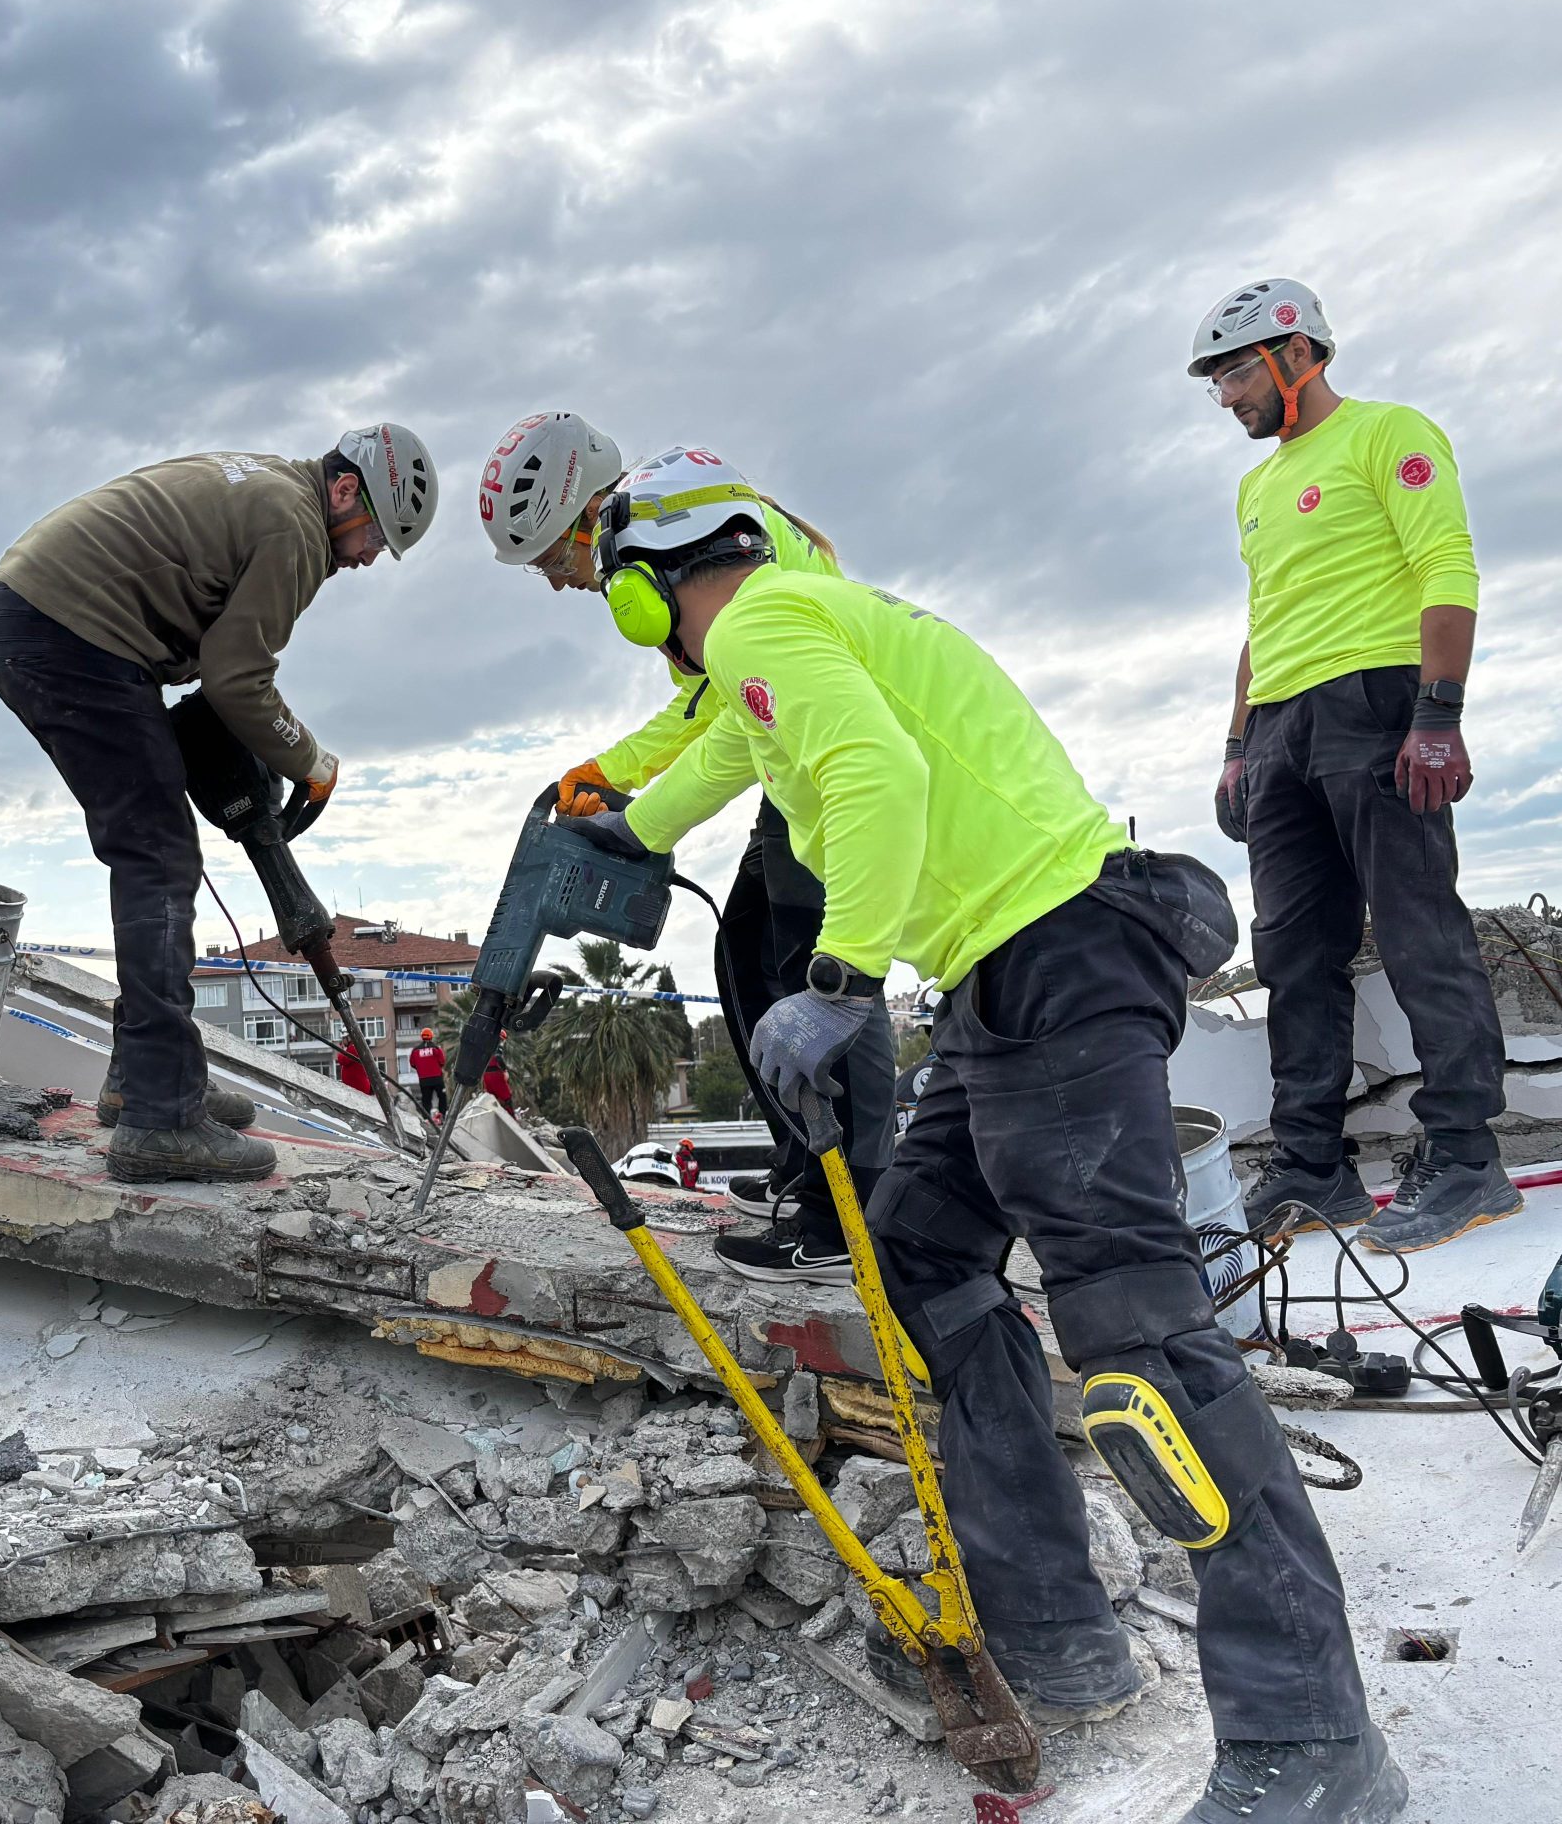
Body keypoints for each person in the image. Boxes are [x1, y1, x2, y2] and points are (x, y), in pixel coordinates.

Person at [567, 516, 1399, 1824]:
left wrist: (838, 979)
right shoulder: (787, 647)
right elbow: (708, 768)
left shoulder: (764, 621)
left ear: (647, 582)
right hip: (1002, 980)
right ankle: (1057, 1624)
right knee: (923, 1255)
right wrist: (614, 822)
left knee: (1143, 1348)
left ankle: (1315, 1746)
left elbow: (881, 782)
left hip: (1055, 950)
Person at [480, 417, 894, 1284]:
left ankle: (848, 1215)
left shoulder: (715, 548)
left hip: (826, 775)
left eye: (553, 559)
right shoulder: (673, 554)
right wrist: (613, 772)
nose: (559, 584)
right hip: (790, 774)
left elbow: (727, 717)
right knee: (744, 953)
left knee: (823, 984)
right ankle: (804, 1161)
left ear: (585, 516)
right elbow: (711, 704)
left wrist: (634, 808)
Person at [0, 427, 437, 1184]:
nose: (365, 559)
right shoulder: (295, 525)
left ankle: (140, 1081)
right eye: (375, 539)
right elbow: (236, 680)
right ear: (348, 492)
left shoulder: (268, 483)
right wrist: (312, 762)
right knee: (158, 854)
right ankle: (161, 1117)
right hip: (71, 638)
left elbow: (216, 677)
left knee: (154, 844)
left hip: (48, 624)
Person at [1195, 280, 1513, 1255]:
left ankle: (1466, 1161)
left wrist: (1438, 716)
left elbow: (1446, 568)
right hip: (1281, 729)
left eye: (1235, 372)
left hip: (1377, 707)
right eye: (1213, 383)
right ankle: (1311, 1171)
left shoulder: (1388, 434)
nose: (1225, 398)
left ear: (1299, 354)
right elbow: (1261, 620)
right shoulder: (1254, 486)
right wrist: (1236, 746)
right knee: (1292, 953)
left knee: (1420, 931)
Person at [409, 1027, 448, 1120]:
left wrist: (422, 1069)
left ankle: (427, 1119)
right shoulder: (436, 1049)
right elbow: (442, 1062)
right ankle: (442, 1115)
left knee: (426, 1099)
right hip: (437, 1078)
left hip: (424, 1080)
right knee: (442, 1096)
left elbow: (412, 1064)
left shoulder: (415, 1051)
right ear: (431, 1036)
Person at [479, 1033, 515, 1112]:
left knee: (492, 1099)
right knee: (507, 1098)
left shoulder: (485, 1046)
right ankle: (511, 1118)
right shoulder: (497, 1046)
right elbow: (498, 1057)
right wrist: (504, 1070)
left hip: (486, 1075)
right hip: (496, 1074)